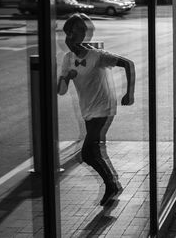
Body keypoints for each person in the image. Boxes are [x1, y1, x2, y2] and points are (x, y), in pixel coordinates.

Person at [58, 13, 135, 206]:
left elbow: (128, 64)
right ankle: (113, 184)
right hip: (88, 109)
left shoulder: (97, 56)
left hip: (103, 107)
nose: (72, 37)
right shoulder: (68, 59)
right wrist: (66, 77)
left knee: (86, 153)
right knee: (95, 150)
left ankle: (111, 184)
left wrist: (129, 93)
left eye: (79, 31)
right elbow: (61, 91)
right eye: (70, 32)